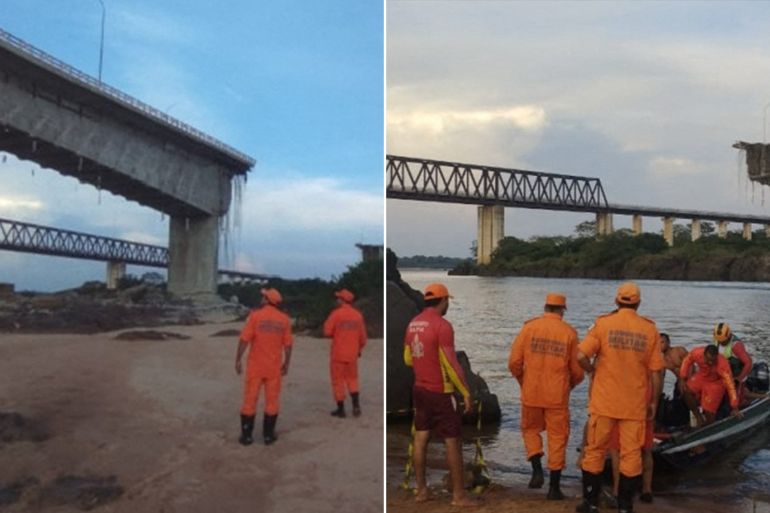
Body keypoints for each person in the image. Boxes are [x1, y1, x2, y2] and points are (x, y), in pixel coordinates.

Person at [576, 282, 664, 513]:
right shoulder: (649, 329)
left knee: (595, 450)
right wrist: (653, 402)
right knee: (631, 455)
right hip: (634, 405)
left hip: (604, 402)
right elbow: (656, 372)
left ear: (616, 301)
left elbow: (580, 356)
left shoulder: (603, 324)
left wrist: (592, 371)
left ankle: (590, 503)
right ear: (639, 303)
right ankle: (625, 507)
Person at [403, 283, 478, 507]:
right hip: (441, 391)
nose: (448, 305)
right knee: (452, 441)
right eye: (448, 301)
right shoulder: (442, 326)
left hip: (419, 389)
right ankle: (459, 496)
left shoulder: (413, 324)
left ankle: (422, 491)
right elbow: (451, 363)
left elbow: (408, 358)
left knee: (421, 437)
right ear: (443, 301)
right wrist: (465, 392)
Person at [508, 293, 583, 500]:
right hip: (557, 396)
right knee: (557, 439)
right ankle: (554, 488)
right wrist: (570, 385)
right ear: (562, 310)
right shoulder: (569, 333)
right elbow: (577, 371)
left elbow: (514, 362)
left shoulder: (529, 328)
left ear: (545, 307)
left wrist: (524, 381)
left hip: (531, 393)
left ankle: (536, 470)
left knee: (530, 430)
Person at [235, 287, 293, 446]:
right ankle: (268, 436)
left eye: (263, 296)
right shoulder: (284, 319)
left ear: (267, 300)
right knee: (272, 401)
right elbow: (288, 345)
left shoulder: (255, 316)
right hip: (273, 368)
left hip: (255, 367)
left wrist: (238, 359)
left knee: (250, 400)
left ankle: (246, 436)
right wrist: (287, 363)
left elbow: (244, 339)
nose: (261, 298)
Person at [323, 288, 368, 418]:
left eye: (338, 298)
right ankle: (356, 406)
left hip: (338, 354)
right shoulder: (358, 315)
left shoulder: (336, 314)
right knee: (353, 380)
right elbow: (363, 338)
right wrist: (358, 349)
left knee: (338, 381)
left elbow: (327, 332)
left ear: (342, 300)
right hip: (352, 354)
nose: (336, 300)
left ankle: (341, 409)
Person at [680, 344, 741, 426]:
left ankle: (708, 426)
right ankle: (698, 417)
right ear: (704, 355)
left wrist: (735, 407)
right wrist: (682, 377)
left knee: (709, 411)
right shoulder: (697, 353)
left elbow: (730, 385)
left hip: (716, 383)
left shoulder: (723, 365)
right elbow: (687, 360)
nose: (710, 363)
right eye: (708, 360)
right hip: (702, 376)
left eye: (712, 361)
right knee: (685, 389)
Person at [712, 323, 753, 403]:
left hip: (737, 374)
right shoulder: (717, 340)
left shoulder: (736, 346)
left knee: (736, 401)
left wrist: (739, 379)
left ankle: (744, 398)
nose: (721, 343)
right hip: (724, 374)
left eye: (723, 341)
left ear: (729, 336)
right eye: (719, 341)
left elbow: (748, 363)